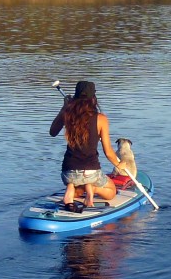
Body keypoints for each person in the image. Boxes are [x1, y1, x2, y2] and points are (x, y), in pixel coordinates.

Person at [49, 81, 125, 211]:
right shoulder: (101, 119)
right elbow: (108, 152)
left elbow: (52, 132)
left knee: (78, 189)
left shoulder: (67, 114)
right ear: (93, 98)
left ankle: (71, 187)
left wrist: (64, 108)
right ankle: (92, 188)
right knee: (111, 191)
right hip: (91, 171)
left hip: (68, 172)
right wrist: (119, 165)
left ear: (75, 97)